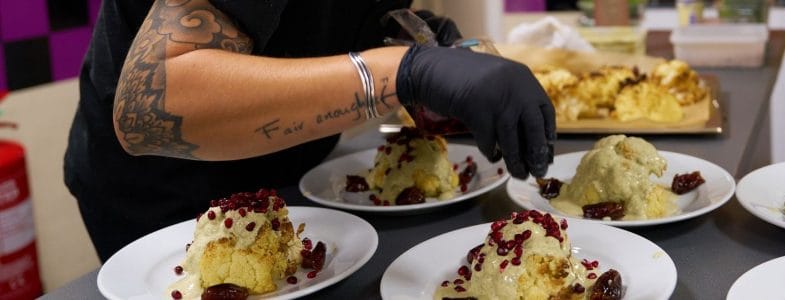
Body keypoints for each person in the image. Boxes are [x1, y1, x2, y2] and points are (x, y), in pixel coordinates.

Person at [64, 0, 556, 261]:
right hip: (166, 198)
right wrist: (404, 71)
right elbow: (152, 107)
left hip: (289, 176)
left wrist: (417, 36)